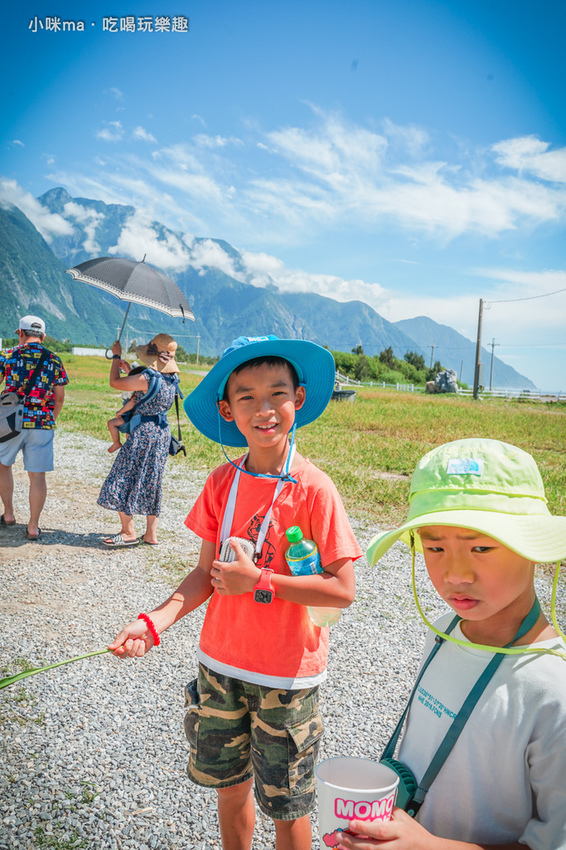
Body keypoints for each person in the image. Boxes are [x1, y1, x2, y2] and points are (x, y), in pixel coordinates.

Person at [109, 334, 362, 850]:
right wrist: (153, 622)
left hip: (286, 680)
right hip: (219, 669)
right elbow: (205, 575)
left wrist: (262, 581)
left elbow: (341, 591)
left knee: (288, 809)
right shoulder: (221, 483)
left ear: (300, 400)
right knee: (230, 791)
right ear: (227, 409)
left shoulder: (314, 489)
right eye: (246, 396)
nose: (263, 409)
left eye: (277, 393)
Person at [337, 438, 566, 850]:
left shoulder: (554, 691)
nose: (455, 574)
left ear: (534, 545)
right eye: (434, 547)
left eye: (481, 546)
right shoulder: (444, 629)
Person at [97, 333, 180, 547]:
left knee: (124, 475)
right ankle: (151, 534)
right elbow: (147, 390)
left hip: (143, 431)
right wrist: (129, 370)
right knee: (152, 480)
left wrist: (116, 357)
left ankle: (128, 532)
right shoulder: (172, 379)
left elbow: (115, 383)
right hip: (161, 433)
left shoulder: (148, 378)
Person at [0, 315, 68, 540]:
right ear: (44, 336)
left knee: (3, 465)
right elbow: (59, 398)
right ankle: (33, 526)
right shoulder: (54, 360)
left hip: (10, 421)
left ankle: (8, 514)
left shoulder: (7, 355)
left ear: (20, 332)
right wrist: (50, 419)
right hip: (42, 422)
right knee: (37, 476)